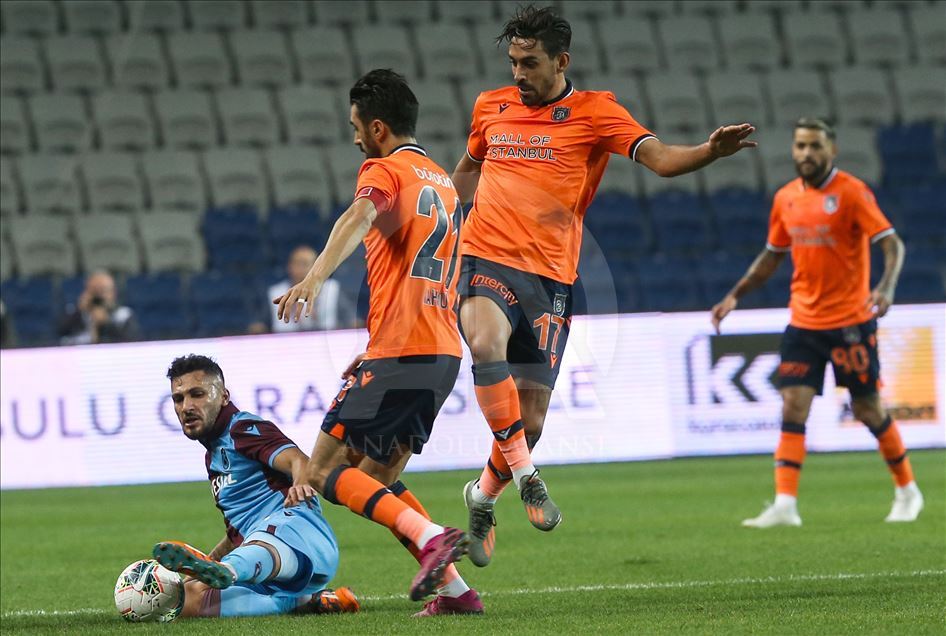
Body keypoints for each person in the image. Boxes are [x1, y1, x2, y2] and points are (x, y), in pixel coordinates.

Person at [450, 4, 758, 566]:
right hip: (484, 257)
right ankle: (528, 477)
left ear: (561, 61)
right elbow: (468, 169)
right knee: (486, 341)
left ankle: (483, 495)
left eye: (530, 63)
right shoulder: (490, 106)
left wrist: (710, 152)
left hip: (551, 276)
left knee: (530, 421)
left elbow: (660, 160)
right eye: (513, 62)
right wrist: (444, 222)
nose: (518, 74)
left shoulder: (596, 112)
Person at [274, 69, 481, 616]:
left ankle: (433, 537)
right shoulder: (441, 182)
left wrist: (314, 278)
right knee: (375, 481)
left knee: (320, 472)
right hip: (440, 352)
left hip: (401, 350)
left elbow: (359, 214)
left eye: (357, 127)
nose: (355, 139)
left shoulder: (384, 169)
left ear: (379, 128)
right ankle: (458, 594)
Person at [710, 118, 923, 528]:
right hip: (804, 322)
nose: (806, 153)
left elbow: (891, 243)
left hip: (850, 322)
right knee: (793, 404)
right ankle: (785, 504)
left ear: (832, 150)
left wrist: (886, 287)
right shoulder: (785, 198)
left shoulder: (852, 192)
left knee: (867, 408)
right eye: (800, 146)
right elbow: (772, 254)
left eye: (814, 146)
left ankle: (907, 490)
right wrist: (735, 294)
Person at [151, 354, 361, 619]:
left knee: (263, 538)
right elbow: (236, 535)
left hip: (300, 537)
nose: (187, 406)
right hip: (268, 566)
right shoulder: (213, 455)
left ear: (224, 396)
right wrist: (201, 569)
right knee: (187, 601)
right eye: (178, 399)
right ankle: (306, 602)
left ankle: (231, 570)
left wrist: (300, 484)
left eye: (197, 394)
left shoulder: (242, 428)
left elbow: (298, 460)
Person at [250, 245, 355, 334]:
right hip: (285, 344)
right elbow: (260, 324)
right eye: (297, 264)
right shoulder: (276, 292)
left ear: (316, 267)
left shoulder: (332, 290)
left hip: (326, 341)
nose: (301, 269)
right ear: (289, 267)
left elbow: (351, 319)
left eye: (305, 264)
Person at [59, 270, 139, 345]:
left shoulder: (124, 315)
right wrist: (79, 312)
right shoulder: (74, 313)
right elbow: (60, 334)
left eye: (102, 290)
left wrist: (106, 323)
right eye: (94, 290)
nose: (98, 296)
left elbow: (130, 343)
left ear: (113, 293)